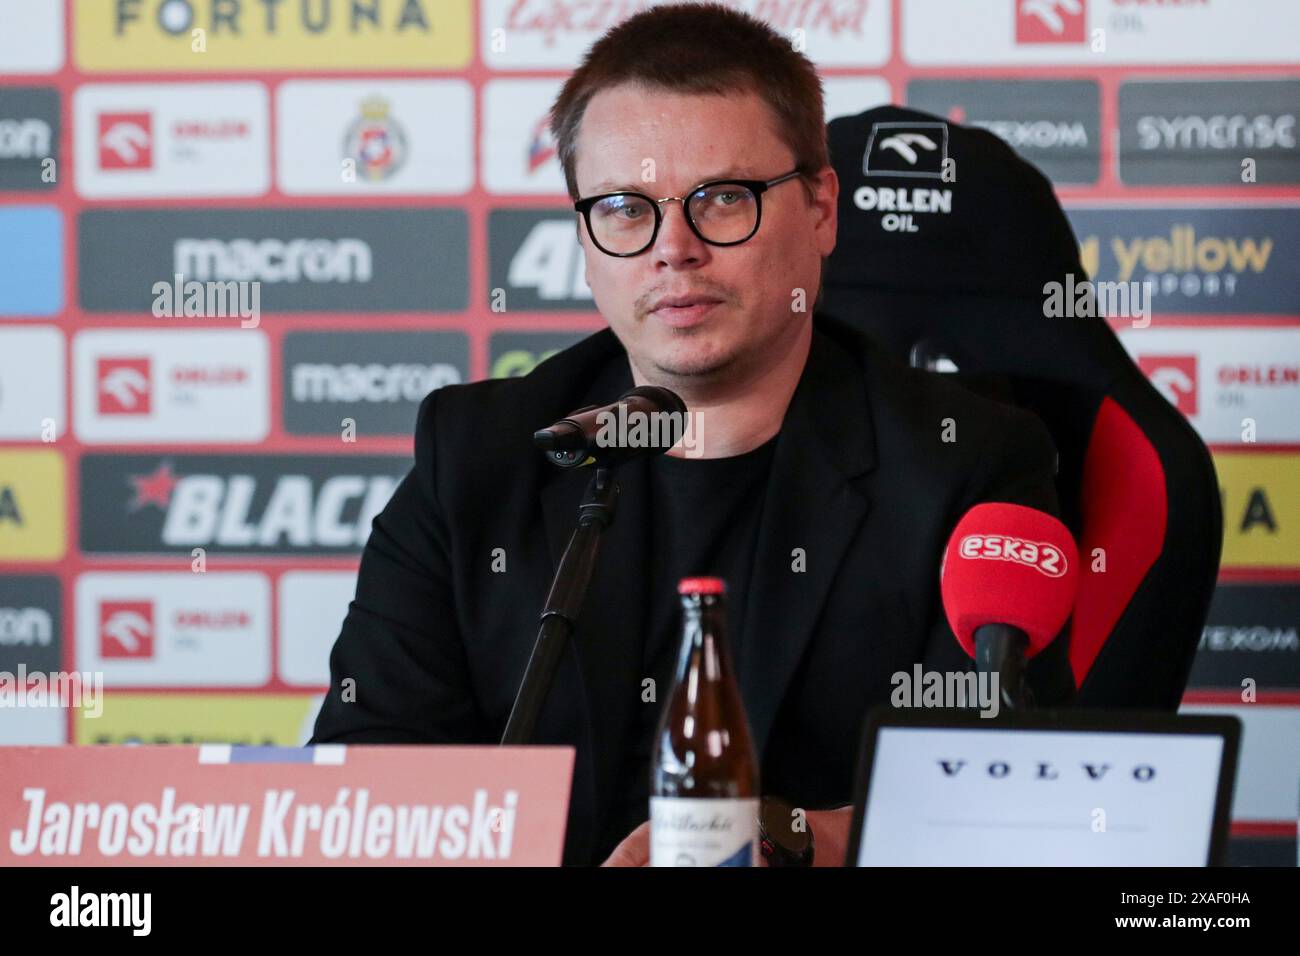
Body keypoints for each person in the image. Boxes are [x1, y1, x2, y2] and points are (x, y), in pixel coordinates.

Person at [309, 2, 1073, 866]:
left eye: (721, 198)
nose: (674, 248)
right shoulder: (479, 451)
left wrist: (785, 836)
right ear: (587, 238)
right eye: (627, 208)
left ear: (822, 209)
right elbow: (368, 772)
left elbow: (998, 806)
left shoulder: (964, 465)